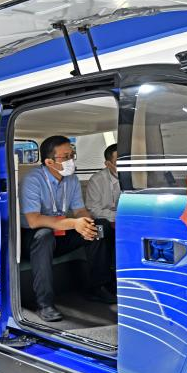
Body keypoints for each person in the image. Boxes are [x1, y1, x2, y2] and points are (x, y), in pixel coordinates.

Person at [20, 135, 115, 322]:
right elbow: (34, 220)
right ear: (49, 162)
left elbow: (79, 210)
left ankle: (98, 287)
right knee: (44, 235)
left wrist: (86, 223)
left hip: (61, 232)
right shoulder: (32, 180)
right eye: (66, 157)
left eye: (73, 155)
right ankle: (44, 303)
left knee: (100, 226)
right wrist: (74, 224)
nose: (71, 161)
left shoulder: (71, 180)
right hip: (33, 237)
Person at [85, 143, 120, 223]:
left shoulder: (138, 178)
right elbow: (94, 210)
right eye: (119, 163)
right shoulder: (97, 181)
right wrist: (121, 216)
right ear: (108, 164)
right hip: (106, 221)